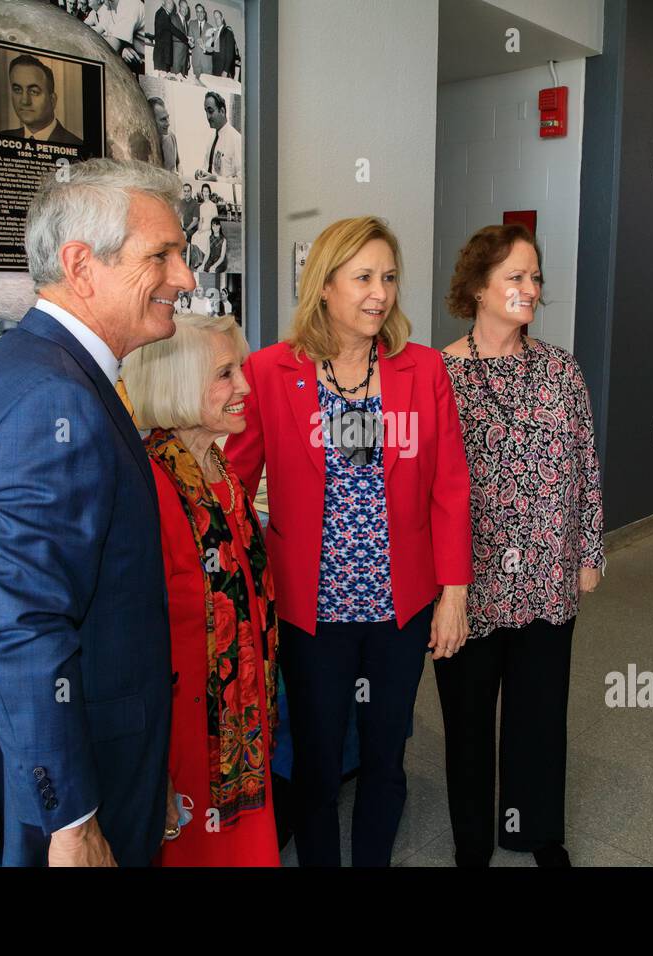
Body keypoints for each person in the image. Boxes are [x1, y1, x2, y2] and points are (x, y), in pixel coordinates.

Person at [0, 159, 193, 867]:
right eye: (162, 256)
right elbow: (23, 628)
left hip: (42, 769)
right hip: (50, 804)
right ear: (82, 266)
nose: (186, 278)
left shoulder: (18, 368)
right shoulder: (57, 400)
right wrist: (74, 821)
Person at [224, 216, 473, 867]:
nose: (380, 293)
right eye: (363, 277)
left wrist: (454, 595)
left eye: (388, 277)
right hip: (314, 613)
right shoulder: (272, 372)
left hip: (400, 607)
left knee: (386, 756)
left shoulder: (420, 370)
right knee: (316, 760)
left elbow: (449, 486)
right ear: (325, 286)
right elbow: (230, 487)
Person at [437, 224, 605, 868]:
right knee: (469, 723)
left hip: (545, 578)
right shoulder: (438, 375)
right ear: (479, 287)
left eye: (535, 277)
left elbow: (586, 465)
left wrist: (589, 553)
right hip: (466, 583)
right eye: (515, 276)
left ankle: (537, 833)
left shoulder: (562, 372)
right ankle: (472, 842)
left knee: (539, 717)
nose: (530, 288)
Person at [120, 313, 281, 866]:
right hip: (186, 737)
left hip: (244, 722)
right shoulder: (151, 487)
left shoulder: (222, 468)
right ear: (179, 386)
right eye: (225, 375)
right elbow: (133, 636)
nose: (245, 387)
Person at [0, 54, 82, 145]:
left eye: (34, 91)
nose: (24, 101)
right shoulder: (3, 138)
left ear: (52, 100)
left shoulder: (76, 145)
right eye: (17, 90)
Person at [196, 91, 241, 182]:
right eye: (206, 112)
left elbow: (241, 180)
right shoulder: (212, 138)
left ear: (222, 111)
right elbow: (207, 168)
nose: (208, 117)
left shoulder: (236, 139)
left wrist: (216, 179)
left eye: (211, 111)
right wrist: (201, 172)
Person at [148, 96, 178, 172]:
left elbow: (170, 170)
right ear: (151, 120)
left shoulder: (166, 138)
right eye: (163, 119)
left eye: (167, 118)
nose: (168, 123)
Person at [209, 7, 237, 78]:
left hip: (223, 69)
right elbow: (214, 50)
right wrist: (205, 49)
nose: (217, 20)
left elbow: (230, 54)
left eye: (218, 18)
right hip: (215, 68)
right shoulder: (214, 33)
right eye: (215, 18)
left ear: (222, 18)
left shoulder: (228, 32)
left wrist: (225, 70)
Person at [186, 2, 208, 77]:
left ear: (204, 13)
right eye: (197, 12)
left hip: (207, 63)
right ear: (196, 13)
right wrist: (190, 43)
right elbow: (189, 40)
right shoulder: (191, 23)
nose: (200, 14)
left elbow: (212, 47)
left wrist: (205, 47)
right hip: (196, 61)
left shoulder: (211, 27)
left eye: (201, 11)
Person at [179, 180, 199, 247]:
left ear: (191, 192)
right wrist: (181, 227)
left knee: (185, 236)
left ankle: (187, 253)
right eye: (185, 191)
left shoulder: (195, 204)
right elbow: (180, 216)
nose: (186, 193)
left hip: (191, 229)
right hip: (183, 228)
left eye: (188, 191)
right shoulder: (181, 202)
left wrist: (186, 230)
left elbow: (195, 221)